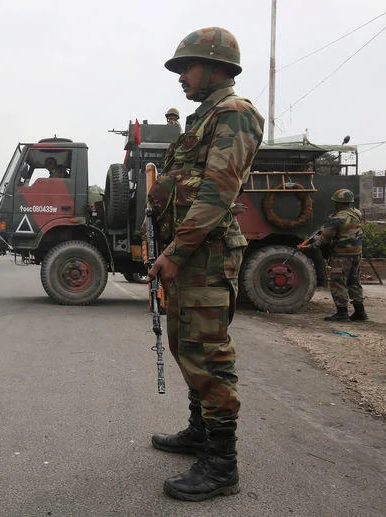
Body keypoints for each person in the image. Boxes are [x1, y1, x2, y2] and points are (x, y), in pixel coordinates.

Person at [146, 27, 264, 501]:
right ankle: (200, 433)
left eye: (187, 67)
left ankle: (221, 465)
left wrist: (176, 251)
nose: (180, 76)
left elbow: (219, 190)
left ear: (217, 67)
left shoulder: (235, 114)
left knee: (208, 353)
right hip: (193, 250)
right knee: (185, 345)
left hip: (206, 253)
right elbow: (188, 180)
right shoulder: (202, 119)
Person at [302, 188, 367, 321]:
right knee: (354, 282)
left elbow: (323, 241)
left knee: (338, 282)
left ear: (338, 203)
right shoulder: (357, 213)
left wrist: (306, 247)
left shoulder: (336, 219)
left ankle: (342, 313)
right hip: (357, 253)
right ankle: (360, 312)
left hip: (342, 255)